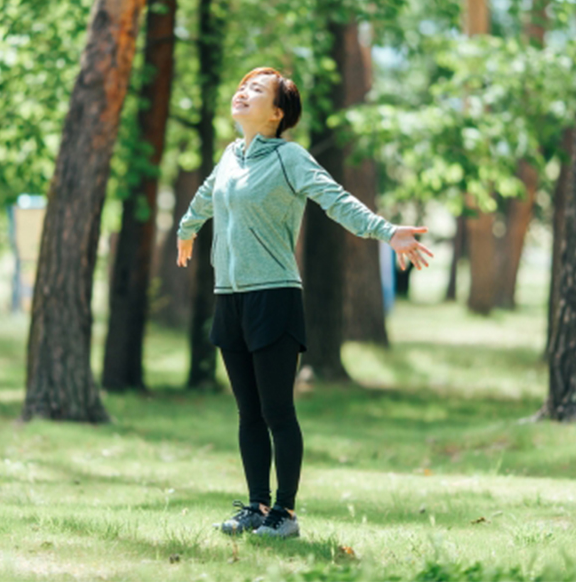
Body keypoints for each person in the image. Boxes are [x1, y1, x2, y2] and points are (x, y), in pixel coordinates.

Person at [176, 66, 433, 539]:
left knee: (277, 411)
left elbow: (336, 200)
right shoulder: (230, 157)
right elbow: (205, 197)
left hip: (273, 296)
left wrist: (386, 232)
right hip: (229, 298)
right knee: (247, 413)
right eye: (241, 85)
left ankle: (285, 514)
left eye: (255, 89)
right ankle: (256, 506)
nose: (242, 92)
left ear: (276, 113)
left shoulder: (290, 158)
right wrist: (186, 230)